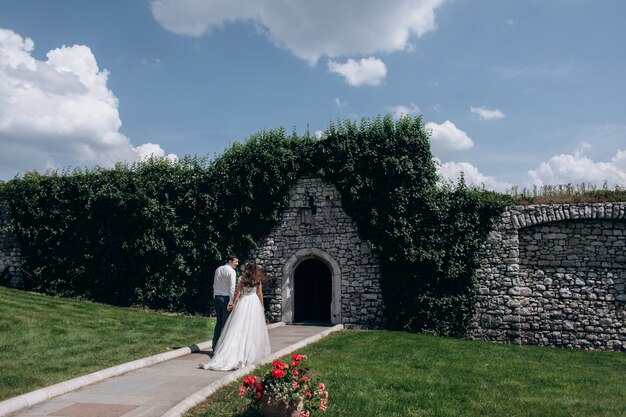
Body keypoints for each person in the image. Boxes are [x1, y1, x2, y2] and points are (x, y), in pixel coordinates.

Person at [200, 259, 271, 371]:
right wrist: (262, 307)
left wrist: (233, 304)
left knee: (238, 327)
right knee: (251, 329)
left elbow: (238, 293)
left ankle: (233, 352)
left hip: (243, 302)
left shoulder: (242, 279)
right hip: (254, 303)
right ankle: (248, 353)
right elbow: (260, 294)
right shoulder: (257, 280)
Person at [212, 253, 238, 351]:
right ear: (230, 261)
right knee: (226, 324)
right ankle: (223, 348)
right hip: (226, 298)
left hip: (217, 298)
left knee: (218, 322)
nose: (237, 264)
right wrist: (231, 302)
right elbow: (232, 288)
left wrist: (214, 296)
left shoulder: (218, 269)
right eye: (236, 261)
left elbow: (214, 284)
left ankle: (215, 345)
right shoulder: (232, 271)